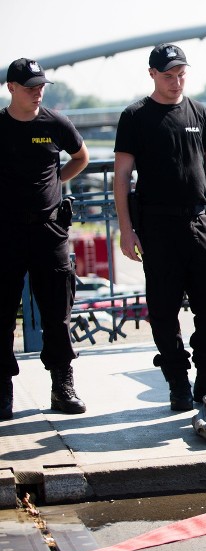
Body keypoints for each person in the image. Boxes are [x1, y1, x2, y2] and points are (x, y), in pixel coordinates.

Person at [113, 44, 206, 411]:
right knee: (163, 308)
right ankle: (178, 381)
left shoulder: (199, 111)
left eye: (181, 74)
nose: (176, 81)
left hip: (199, 220)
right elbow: (121, 177)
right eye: (168, 75)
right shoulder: (135, 116)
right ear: (152, 74)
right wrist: (126, 229)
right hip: (157, 224)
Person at [1, 58, 90, 420]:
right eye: (30, 86)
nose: (38, 91)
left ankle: (61, 385)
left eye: (41, 85)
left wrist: (56, 184)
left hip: (49, 230)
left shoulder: (54, 123)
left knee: (57, 313)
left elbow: (81, 157)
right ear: (11, 88)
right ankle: (2, 390)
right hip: (4, 233)